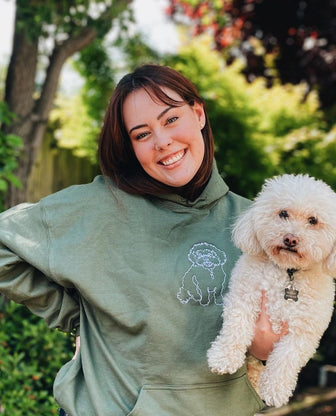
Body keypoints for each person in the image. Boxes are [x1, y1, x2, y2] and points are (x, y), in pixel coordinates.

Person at [0, 64, 287, 416]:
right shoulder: (101, 207)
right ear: (131, 146)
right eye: (141, 134)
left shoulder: (257, 223)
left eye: (171, 119)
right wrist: (78, 317)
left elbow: (297, 317)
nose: (162, 142)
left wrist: (269, 347)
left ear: (198, 114)